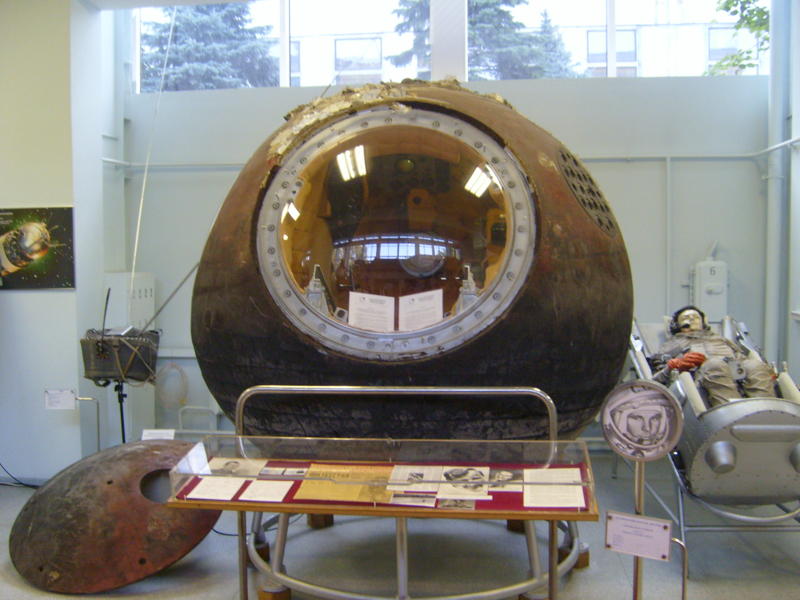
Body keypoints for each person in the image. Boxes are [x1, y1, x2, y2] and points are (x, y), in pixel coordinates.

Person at [651, 305, 775, 407]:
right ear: (676, 325)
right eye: (686, 318)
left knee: (754, 365)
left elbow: (741, 357)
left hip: (734, 369)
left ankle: (766, 409)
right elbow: (656, 378)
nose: (692, 319)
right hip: (698, 376)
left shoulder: (721, 339)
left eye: (696, 317)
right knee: (715, 364)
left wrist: (765, 369)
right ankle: (731, 410)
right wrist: (674, 366)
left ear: (703, 322)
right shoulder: (672, 344)